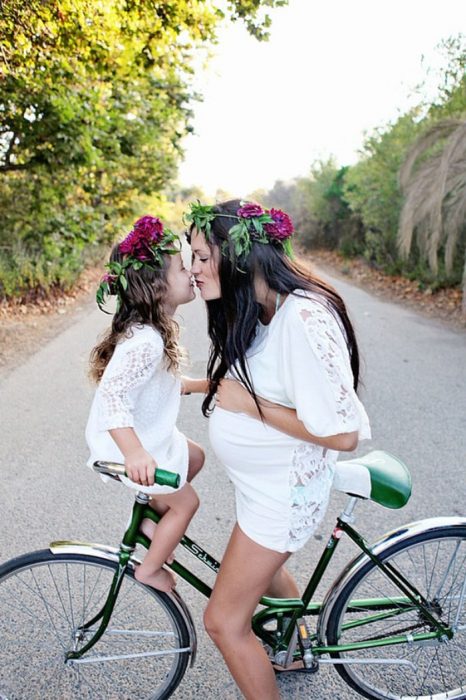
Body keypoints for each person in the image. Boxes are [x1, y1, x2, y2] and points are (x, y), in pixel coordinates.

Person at [184, 199, 371, 699]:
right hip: (263, 489)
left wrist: (249, 407)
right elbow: (259, 381)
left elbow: (343, 434)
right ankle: (296, 640)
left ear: (238, 255)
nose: (193, 270)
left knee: (223, 621)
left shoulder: (303, 319)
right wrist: (192, 385)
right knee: (264, 577)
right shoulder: (263, 307)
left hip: (283, 496)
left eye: (202, 257)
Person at [86, 215, 204, 592]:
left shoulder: (152, 333)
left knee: (196, 456)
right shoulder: (145, 342)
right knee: (186, 504)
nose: (191, 274)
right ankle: (150, 568)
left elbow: (160, 384)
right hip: (129, 443)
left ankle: (152, 524)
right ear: (156, 286)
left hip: (148, 436)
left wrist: (202, 385)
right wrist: (134, 454)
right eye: (183, 267)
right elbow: (114, 396)